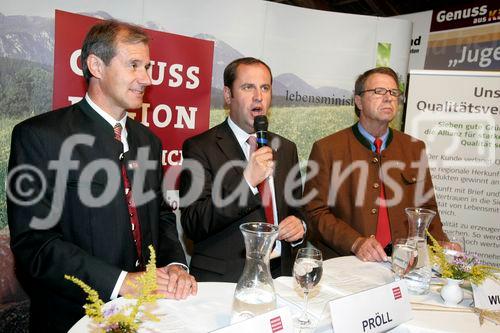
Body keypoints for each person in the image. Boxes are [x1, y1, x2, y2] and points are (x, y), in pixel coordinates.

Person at [7, 20, 197, 333]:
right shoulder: (40, 137)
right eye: (134, 65)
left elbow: (161, 216)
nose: (146, 79)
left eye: (148, 66)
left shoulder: (149, 141)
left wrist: (175, 264)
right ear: (96, 65)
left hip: (148, 315)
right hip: (73, 318)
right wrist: (122, 282)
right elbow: (35, 245)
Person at [304, 67, 449, 262]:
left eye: (394, 92)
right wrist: (354, 242)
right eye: (379, 91)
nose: (388, 97)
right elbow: (315, 212)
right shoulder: (328, 149)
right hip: (347, 263)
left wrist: (443, 246)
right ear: (358, 101)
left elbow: (427, 209)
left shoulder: (414, 149)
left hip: (403, 263)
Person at [179, 57, 305, 282]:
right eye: (248, 87)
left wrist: (300, 227)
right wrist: (247, 183)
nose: (259, 96)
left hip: (280, 276)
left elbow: (298, 209)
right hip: (225, 280)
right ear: (228, 95)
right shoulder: (199, 147)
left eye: (265, 88)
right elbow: (193, 223)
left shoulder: (286, 148)